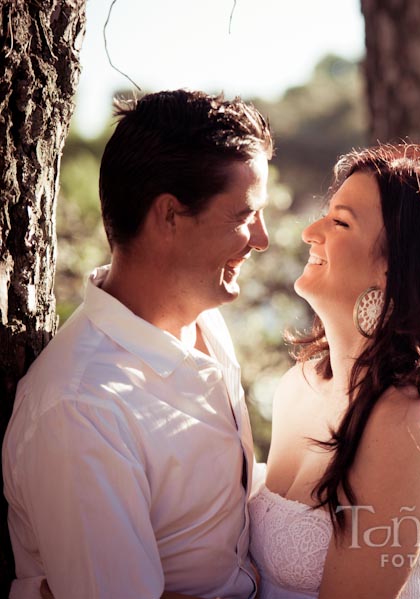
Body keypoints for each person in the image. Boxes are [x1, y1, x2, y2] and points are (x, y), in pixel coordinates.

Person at [2, 89, 273, 599]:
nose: (261, 238)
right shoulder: (82, 408)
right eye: (243, 215)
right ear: (169, 215)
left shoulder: (207, 322)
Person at [249, 143, 420, 598]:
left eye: (340, 222)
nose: (310, 232)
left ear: (394, 269)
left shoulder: (409, 418)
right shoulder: (300, 384)